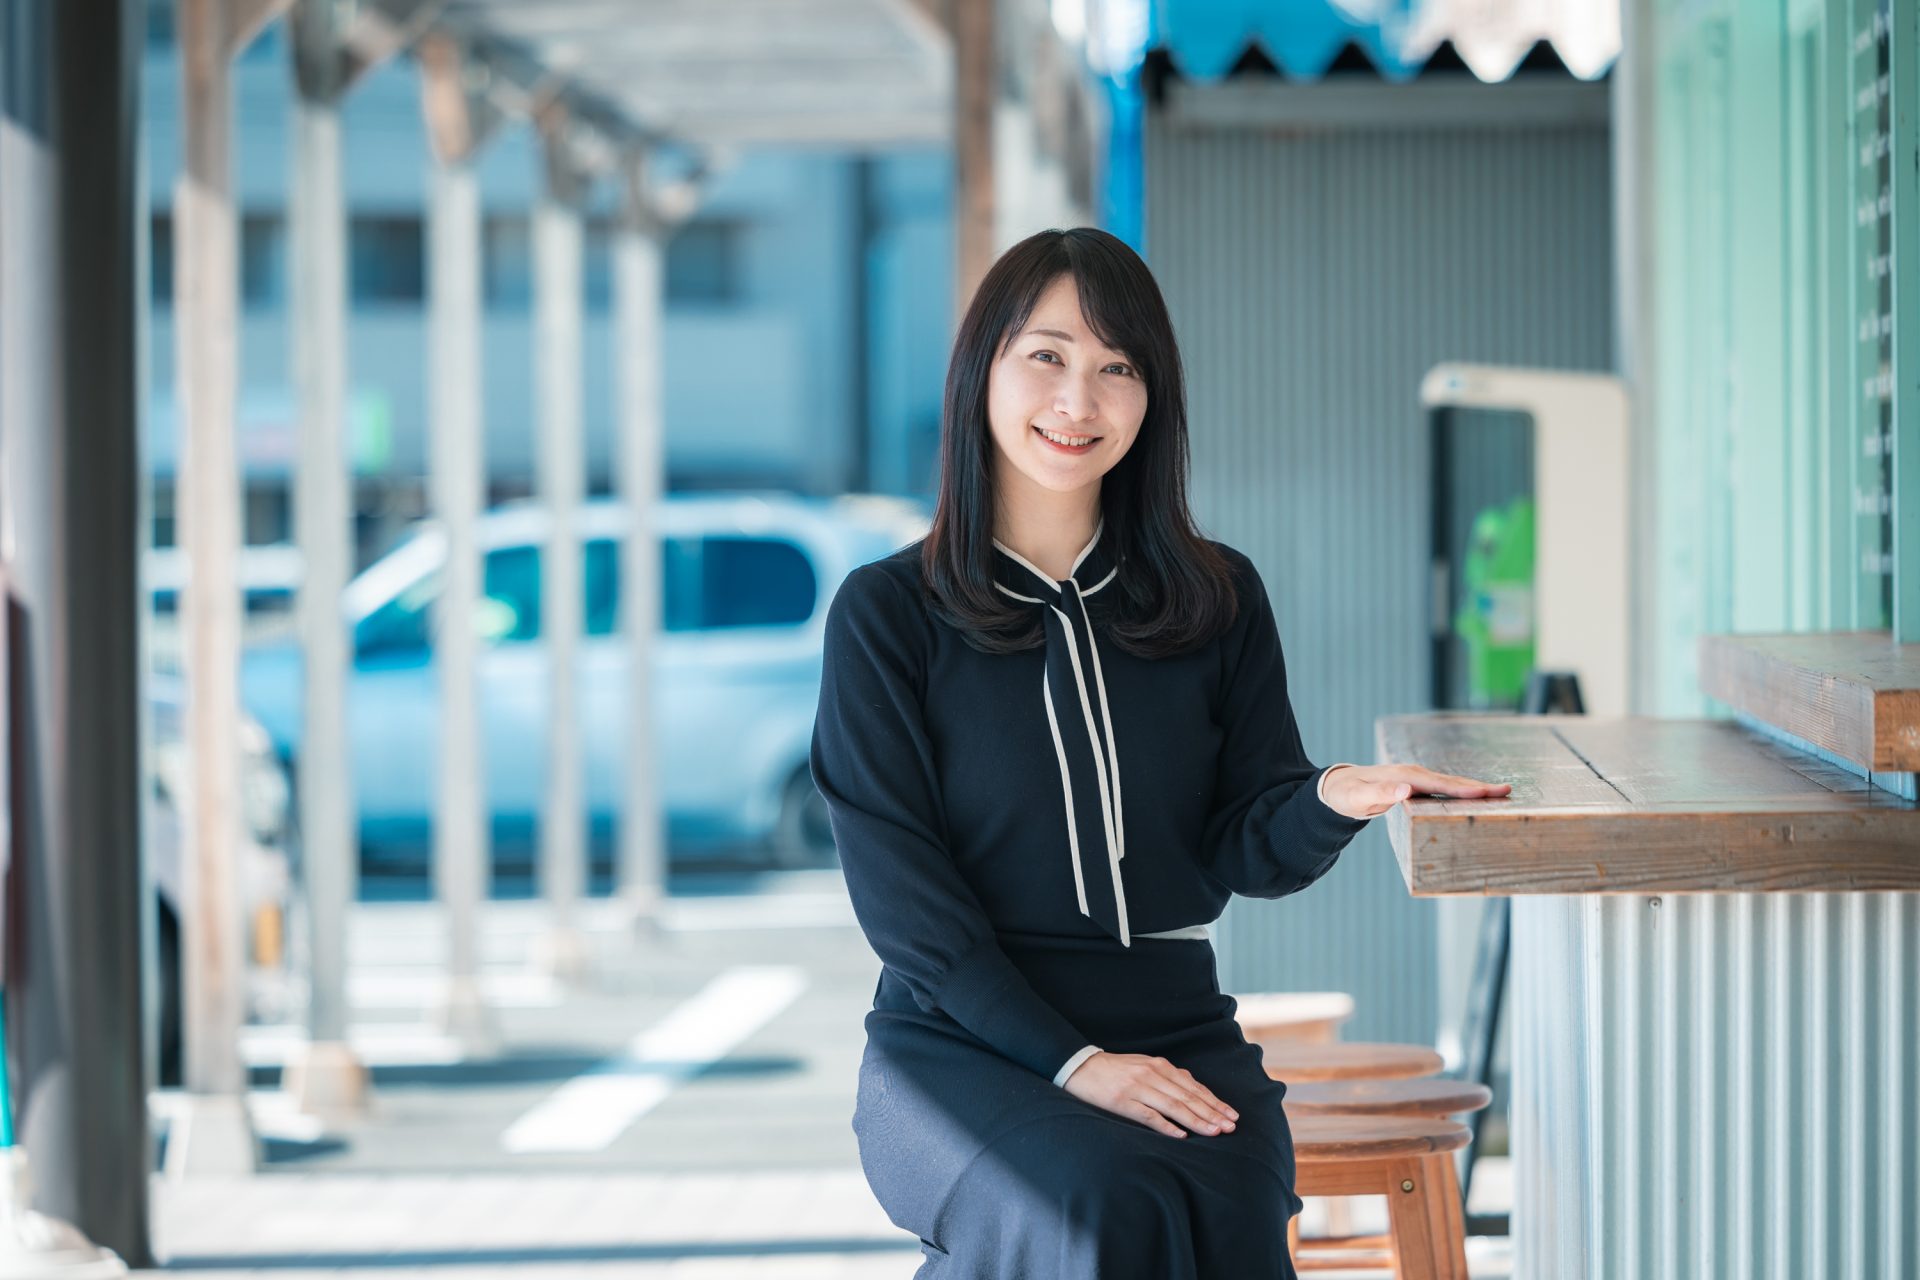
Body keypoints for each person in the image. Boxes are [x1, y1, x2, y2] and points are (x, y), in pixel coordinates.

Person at [808, 226, 1512, 1279]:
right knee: (1098, 1206)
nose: (1078, 400)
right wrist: (1076, 1062)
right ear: (982, 370)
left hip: (1177, 1023)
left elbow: (1247, 846)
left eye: (1117, 367)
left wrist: (1333, 795)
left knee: (1226, 1196)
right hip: (957, 1049)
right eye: (1046, 355)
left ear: (1153, 397)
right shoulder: (888, 614)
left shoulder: (1213, 598)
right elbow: (911, 913)